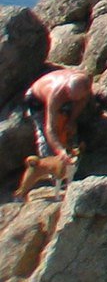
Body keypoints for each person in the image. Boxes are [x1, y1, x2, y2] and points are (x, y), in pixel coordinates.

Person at [15, 65, 93, 198]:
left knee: (68, 132)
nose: (75, 99)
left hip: (68, 98)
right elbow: (49, 128)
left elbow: (82, 101)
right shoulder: (55, 94)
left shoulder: (84, 83)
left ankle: (70, 172)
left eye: (77, 98)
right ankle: (52, 173)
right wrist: (60, 151)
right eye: (71, 96)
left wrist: (71, 120)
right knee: (49, 138)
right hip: (36, 100)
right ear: (67, 90)